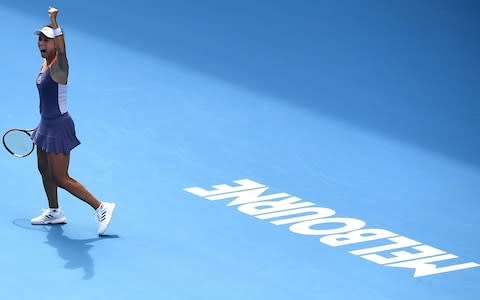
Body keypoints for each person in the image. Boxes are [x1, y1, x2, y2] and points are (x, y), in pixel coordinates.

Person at [30, 7, 115, 235]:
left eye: (46, 40)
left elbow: (64, 52)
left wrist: (55, 24)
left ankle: (101, 207)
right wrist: (40, 125)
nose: (41, 43)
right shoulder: (45, 63)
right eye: (40, 39)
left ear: (55, 43)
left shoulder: (60, 66)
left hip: (59, 126)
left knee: (61, 177)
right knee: (43, 169)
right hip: (46, 124)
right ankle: (55, 211)